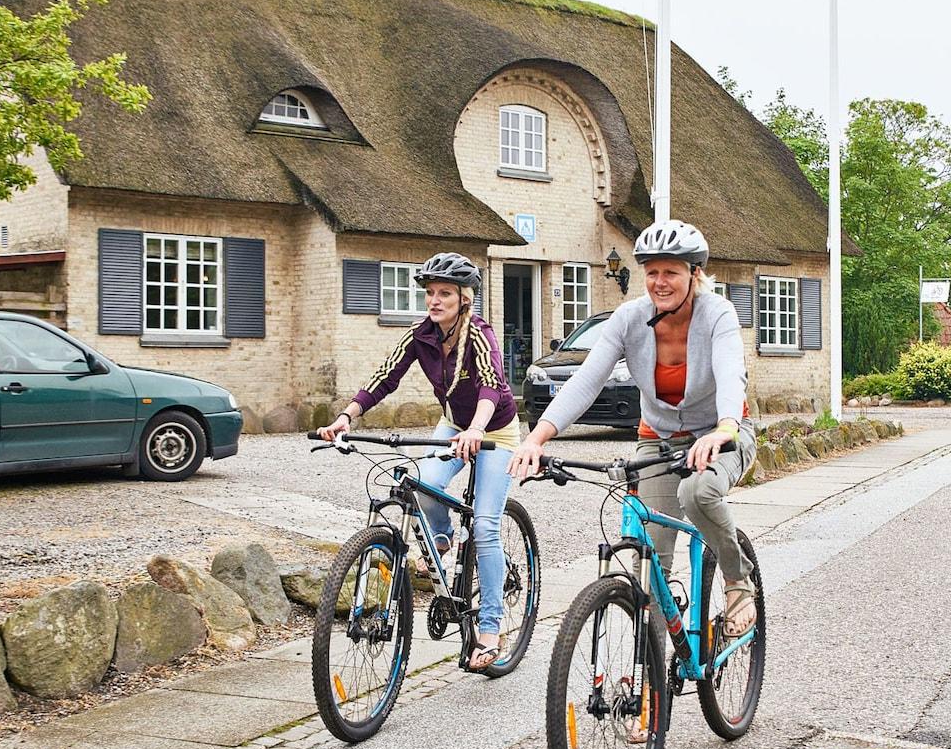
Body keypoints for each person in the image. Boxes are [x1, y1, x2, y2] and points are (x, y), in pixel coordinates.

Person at [509, 220, 758, 639]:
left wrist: (724, 428)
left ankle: (737, 580)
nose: (660, 282)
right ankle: (651, 678)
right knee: (650, 560)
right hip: (658, 439)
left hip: (723, 432)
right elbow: (586, 381)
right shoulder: (629, 318)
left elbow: (732, 372)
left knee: (697, 492)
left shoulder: (718, 313)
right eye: (652, 272)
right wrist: (536, 438)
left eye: (671, 272)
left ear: (695, 274)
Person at [319, 252, 518, 670]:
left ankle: (490, 626)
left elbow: (492, 387)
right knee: (423, 483)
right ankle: (442, 535)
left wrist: (478, 430)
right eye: (430, 293)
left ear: (465, 298)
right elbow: (384, 377)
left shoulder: (480, 335)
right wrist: (345, 417)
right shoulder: (420, 335)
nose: (434, 300)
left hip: (494, 431)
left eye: (445, 293)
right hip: (452, 425)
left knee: (484, 526)